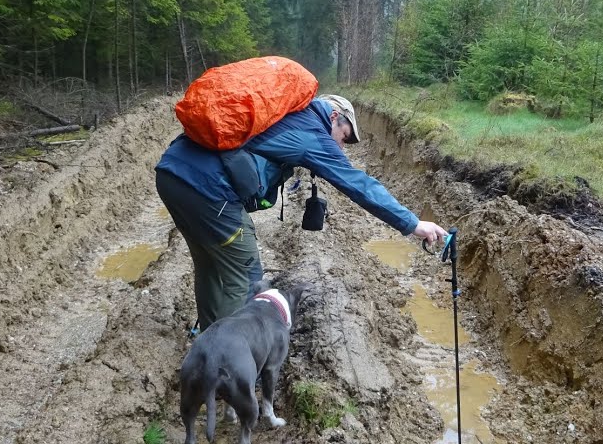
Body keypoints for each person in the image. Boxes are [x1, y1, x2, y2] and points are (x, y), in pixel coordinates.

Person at [155, 93, 449, 332]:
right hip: (208, 189)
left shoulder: (285, 114)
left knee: (209, 265)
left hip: (172, 173)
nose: (341, 147)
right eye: (344, 137)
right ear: (334, 117)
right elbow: (358, 183)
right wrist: (412, 223)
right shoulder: (312, 133)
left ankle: (210, 342)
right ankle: (230, 367)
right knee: (246, 274)